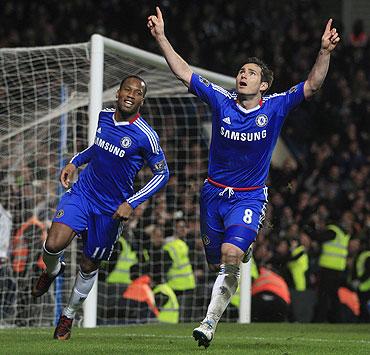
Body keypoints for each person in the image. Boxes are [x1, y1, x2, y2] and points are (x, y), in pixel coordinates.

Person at [147, 7, 340, 347]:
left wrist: (323, 52)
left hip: (249, 196)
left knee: (231, 256)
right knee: (218, 261)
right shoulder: (221, 101)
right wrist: (162, 37)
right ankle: (241, 249)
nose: (243, 75)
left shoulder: (275, 106)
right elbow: (184, 73)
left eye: (251, 73)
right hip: (212, 194)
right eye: (241, 71)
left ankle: (208, 324)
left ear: (264, 84)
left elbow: (312, 85)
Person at [31, 75, 170, 340]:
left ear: (142, 100)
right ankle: (52, 270)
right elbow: (97, 149)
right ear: (118, 94)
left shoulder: (146, 135)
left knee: (89, 263)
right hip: (83, 193)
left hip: (109, 210)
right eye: (127, 89)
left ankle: (68, 316)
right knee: (53, 245)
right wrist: (75, 162)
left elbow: (162, 174)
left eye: (137, 92)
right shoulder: (104, 116)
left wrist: (131, 202)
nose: (131, 94)